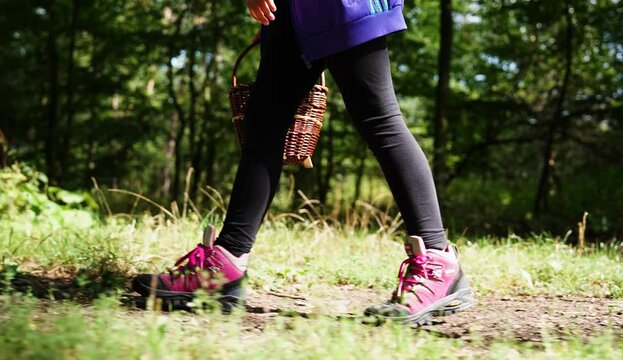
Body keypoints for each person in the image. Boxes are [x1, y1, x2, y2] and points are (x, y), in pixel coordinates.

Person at [133, 0, 474, 325]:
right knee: (263, 125)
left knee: (378, 120)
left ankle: (437, 260)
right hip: (293, 12)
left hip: (343, 6)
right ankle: (227, 262)